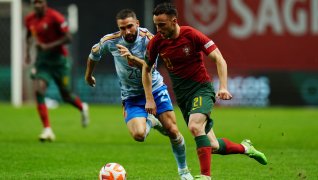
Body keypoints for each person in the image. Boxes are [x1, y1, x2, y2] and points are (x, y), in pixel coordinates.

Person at [125, 3, 268, 179]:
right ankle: (246, 148)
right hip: (183, 97)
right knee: (213, 145)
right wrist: (149, 99)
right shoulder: (157, 42)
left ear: (174, 21)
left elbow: (219, 59)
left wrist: (223, 86)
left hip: (201, 89)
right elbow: (146, 69)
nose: (158, 29)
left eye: (162, 24)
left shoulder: (191, 35)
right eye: (156, 25)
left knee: (194, 126)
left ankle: (205, 176)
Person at [84, 9, 193, 179]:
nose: (127, 31)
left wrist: (132, 58)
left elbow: (151, 68)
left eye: (129, 26)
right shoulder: (110, 41)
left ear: (137, 24)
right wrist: (88, 74)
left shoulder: (149, 39)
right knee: (139, 135)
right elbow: (93, 54)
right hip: (131, 95)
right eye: (122, 28)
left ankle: (184, 171)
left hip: (155, 89)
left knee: (172, 130)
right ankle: (151, 121)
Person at [24, 0, 89, 142]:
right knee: (39, 90)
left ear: (45, 3)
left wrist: (47, 46)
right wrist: (28, 52)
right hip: (43, 62)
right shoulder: (29, 19)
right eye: (34, 2)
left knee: (65, 95)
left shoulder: (55, 17)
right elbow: (29, 35)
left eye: (39, 2)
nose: (37, 5)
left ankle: (82, 107)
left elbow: (68, 38)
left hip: (59, 61)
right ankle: (47, 129)